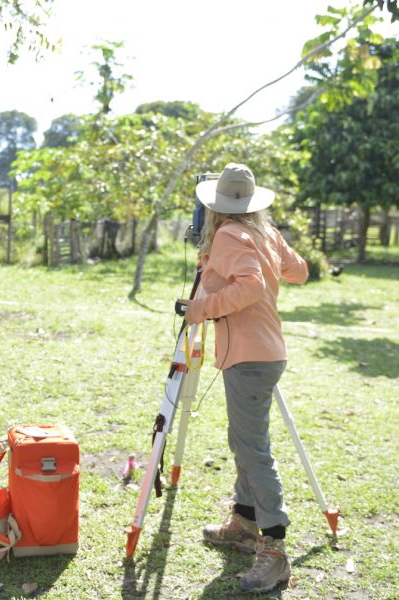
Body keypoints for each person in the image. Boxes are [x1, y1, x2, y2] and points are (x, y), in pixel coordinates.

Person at [179, 163, 308, 594]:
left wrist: (199, 307)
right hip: (266, 352)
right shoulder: (263, 233)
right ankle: (245, 522)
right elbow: (299, 271)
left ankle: (274, 550)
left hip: (251, 357)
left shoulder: (231, 235)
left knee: (253, 449)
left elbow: (250, 286)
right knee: (245, 440)